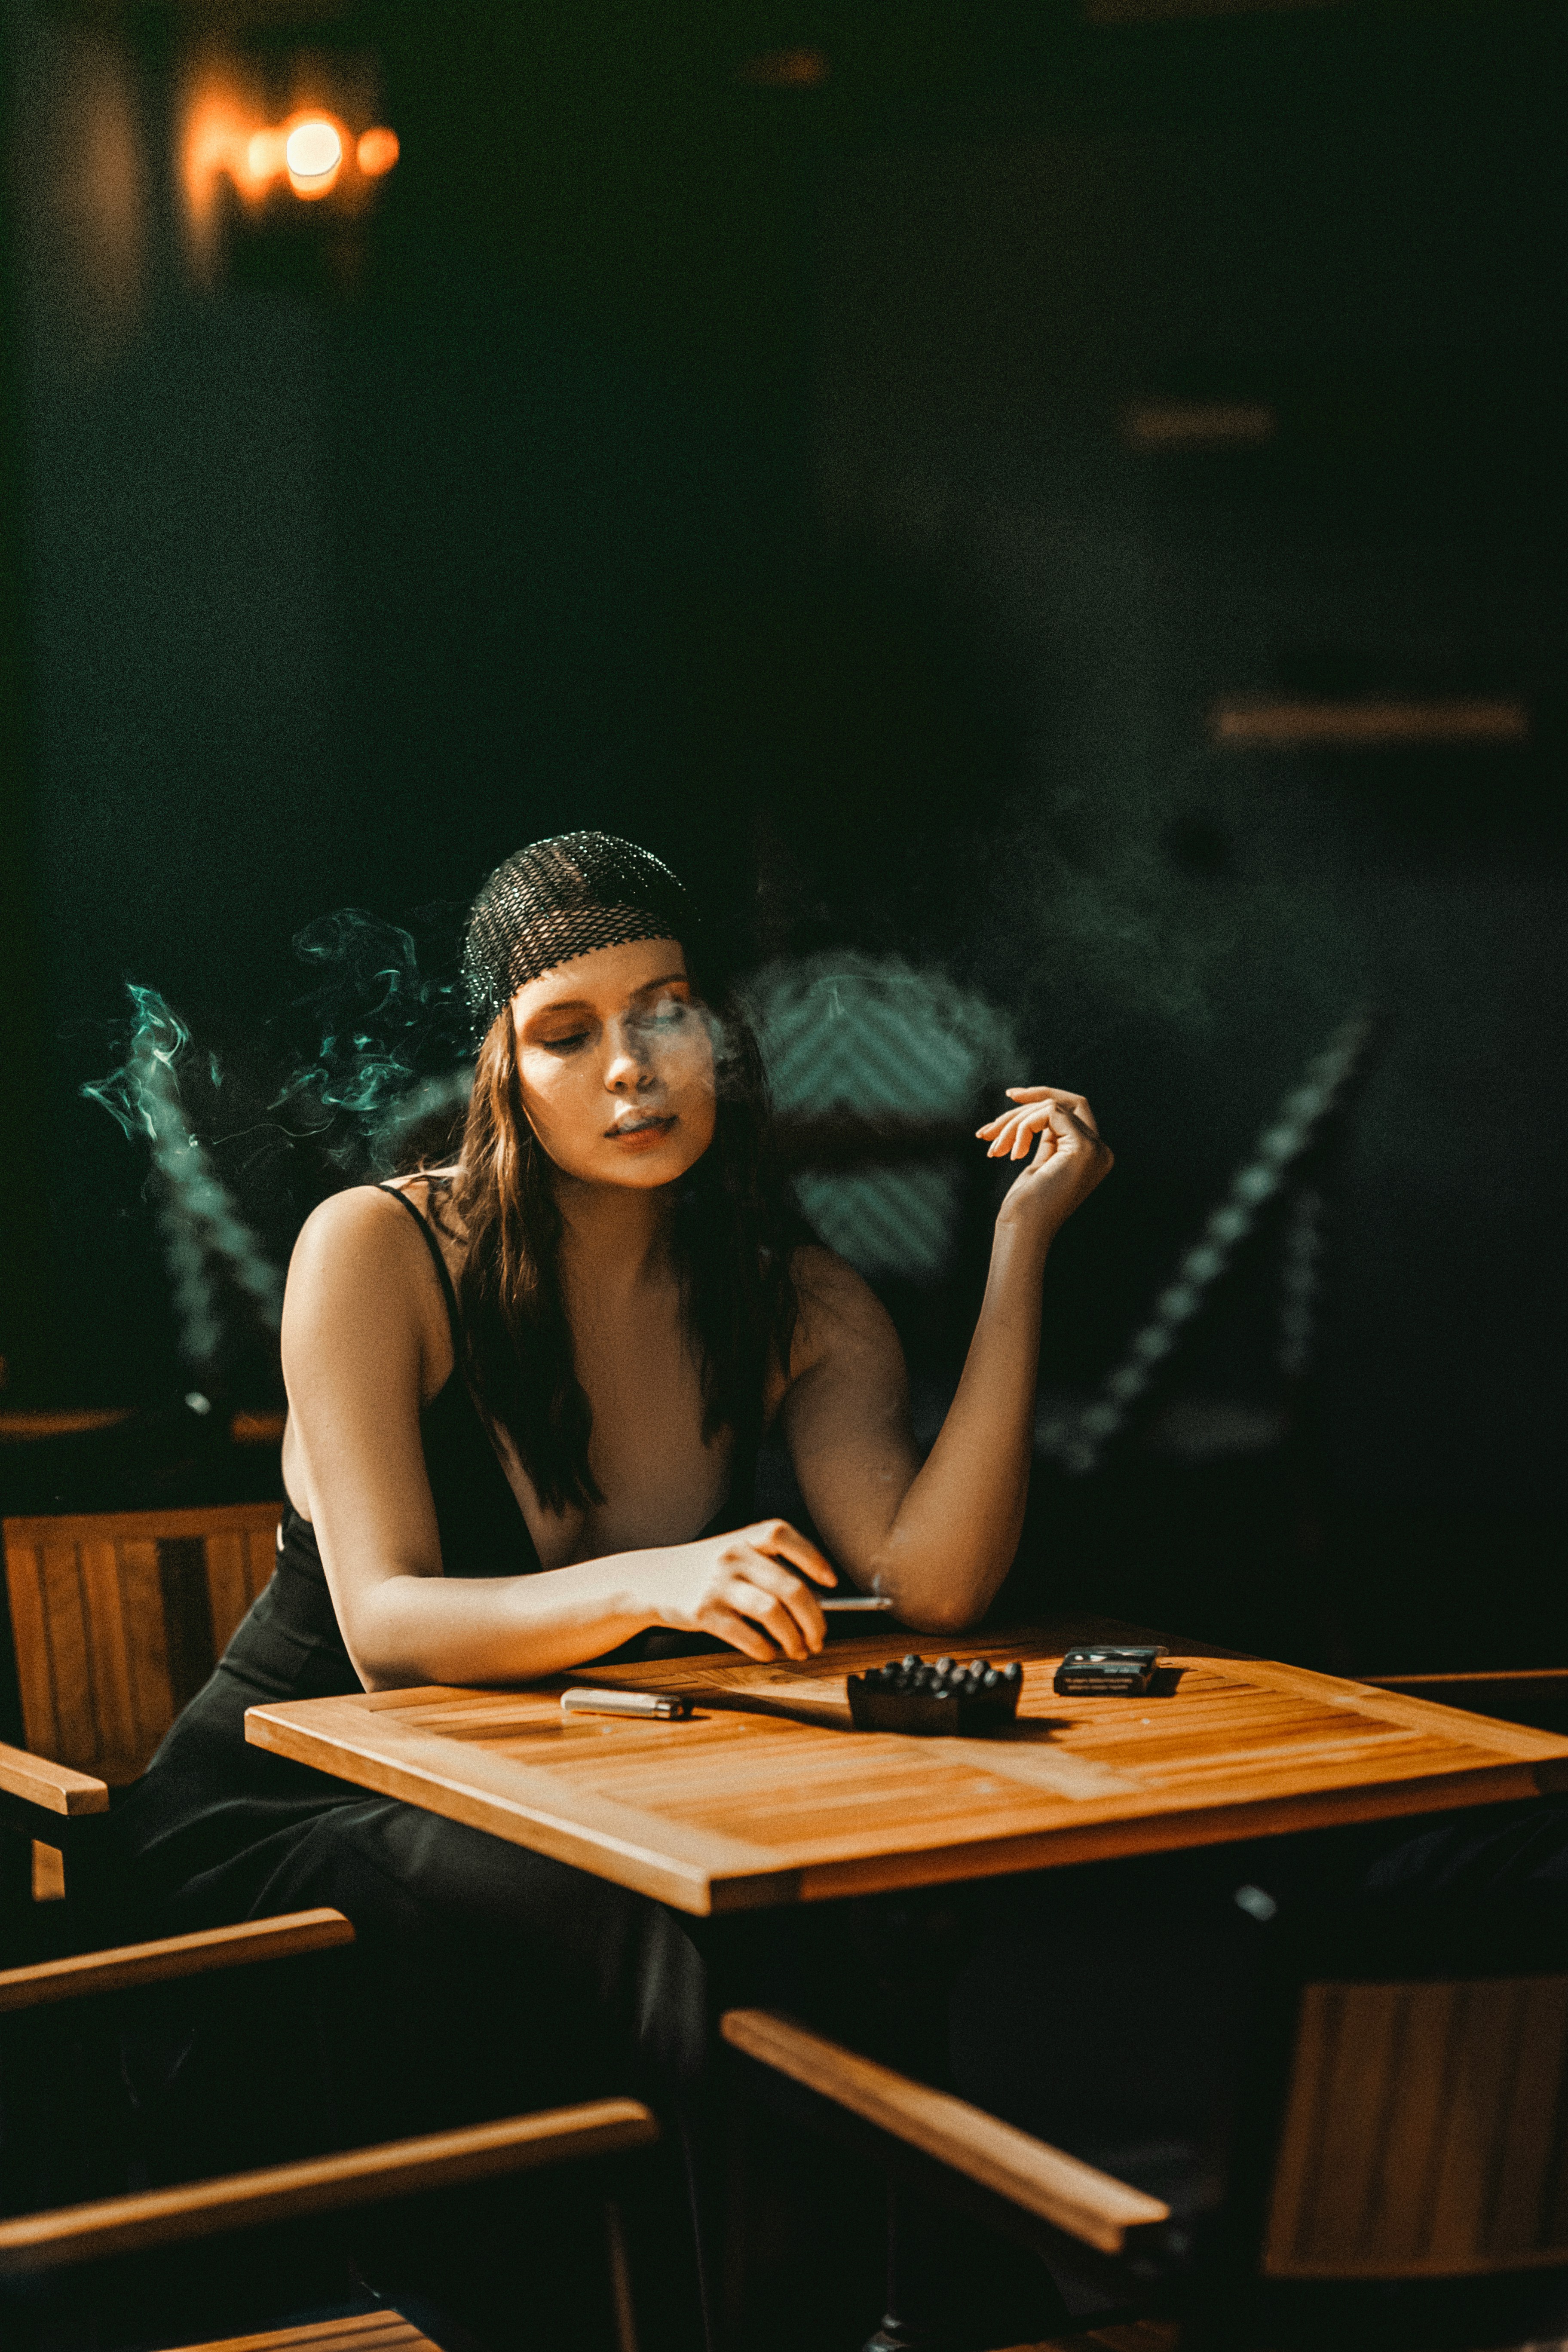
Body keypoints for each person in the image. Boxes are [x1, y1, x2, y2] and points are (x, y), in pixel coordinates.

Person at [109, 831, 1110, 2339]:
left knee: (852, 1924)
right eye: (566, 1035)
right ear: (501, 1074)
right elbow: (387, 1636)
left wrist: (1022, 1251)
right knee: (658, 1932)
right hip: (295, 1835)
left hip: (567, 1815)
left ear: (721, 1031)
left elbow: (938, 1589)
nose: (631, 1068)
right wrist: (669, 1577)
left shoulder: (795, 1299)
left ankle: (892, 2314)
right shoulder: (375, 1251)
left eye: (665, 1011)